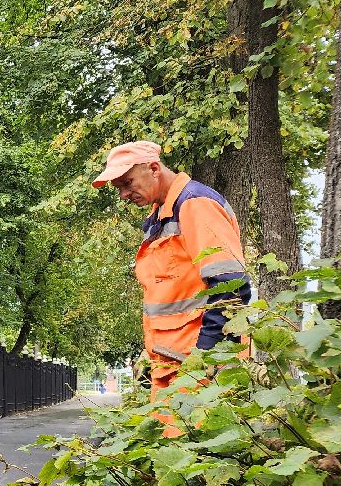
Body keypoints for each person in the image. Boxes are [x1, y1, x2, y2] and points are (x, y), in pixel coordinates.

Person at [93, 140, 251, 399]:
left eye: (127, 183)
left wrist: (207, 357)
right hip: (173, 367)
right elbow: (170, 295)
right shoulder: (161, 215)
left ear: (154, 168)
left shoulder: (195, 204)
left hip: (200, 370)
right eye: (118, 187)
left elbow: (231, 287)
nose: (123, 194)